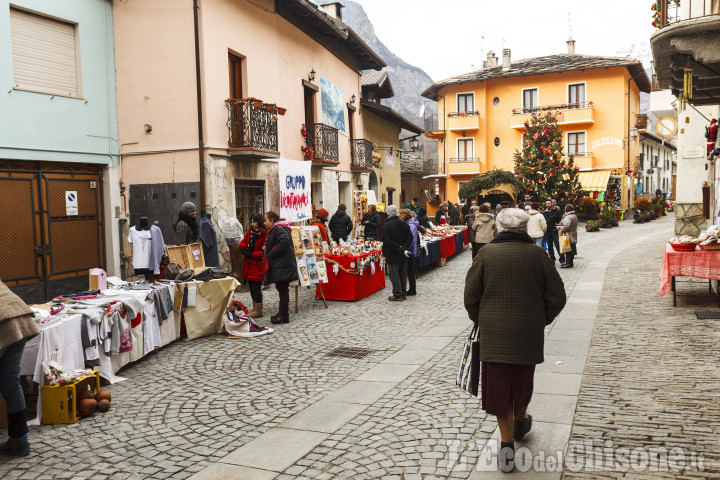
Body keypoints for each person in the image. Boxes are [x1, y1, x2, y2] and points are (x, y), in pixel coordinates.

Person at [464, 208, 566, 473]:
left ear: (499, 228)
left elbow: (470, 298)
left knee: (499, 391)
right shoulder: (538, 255)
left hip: (494, 334)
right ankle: (520, 422)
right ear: (523, 228)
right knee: (522, 384)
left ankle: (506, 445)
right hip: (527, 334)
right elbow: (557, 297)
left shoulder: (486, 254)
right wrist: (539, 319)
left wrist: (483, 319)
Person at [0, 279, 40, 457]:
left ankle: (19, 441)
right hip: (18, 317)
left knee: (10, 382)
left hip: (3, 322)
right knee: (10, 382)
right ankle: (19, 440)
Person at [264, 211, 298, 324]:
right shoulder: (278, 228)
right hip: (282, 265)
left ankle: (284, 315)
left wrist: (271, 253)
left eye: (266, 220)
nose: (264, 223)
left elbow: (284, 242)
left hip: (282, 265)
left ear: (272, 220)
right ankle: (282, 312)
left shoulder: (278, 228)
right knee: (281, 289)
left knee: (283, 290)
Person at [239, 214, 268, 318]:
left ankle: (259, 311)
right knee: (251, 286)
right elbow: (243, 242)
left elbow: (263, 252)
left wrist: (251, 254)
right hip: (248, 263)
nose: (252, 224)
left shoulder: (264, 234)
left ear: (259, 223)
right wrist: (243, 248)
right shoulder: (250, 232)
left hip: (257, 264)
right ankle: (255, 308)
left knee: (256, 287)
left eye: (254, 222)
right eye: (251, 222)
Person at [382, 205, 412, 301]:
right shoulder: (404, 224)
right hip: (402, 253)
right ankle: (403, 292)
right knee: (402, 274)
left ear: (389, 214)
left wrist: (399, 248)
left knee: (394, 274)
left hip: (392, 253)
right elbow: (410, 237)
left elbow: (387, 241)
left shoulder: (387, 225)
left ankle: (398, 294)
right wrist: (403, 248)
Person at [400, 209, 420, 296]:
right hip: (410, 250)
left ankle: (412, 289)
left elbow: (411, 240)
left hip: (409, 251)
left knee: (410, 270)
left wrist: (405, 249)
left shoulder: (410, 226)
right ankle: (412, 288)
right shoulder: (410, 224)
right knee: (410, 270)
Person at [557, 204, 579, 268]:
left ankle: (568, 263)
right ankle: (570, 263)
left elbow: (566, 227)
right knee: (572, 248)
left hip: (568, 235)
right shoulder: (574, 216)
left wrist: (559, 228)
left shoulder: (568, 217)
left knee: (568, 249)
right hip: (573, 234)